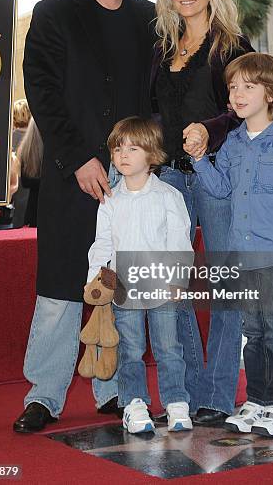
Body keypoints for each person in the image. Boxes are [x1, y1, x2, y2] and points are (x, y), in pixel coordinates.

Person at [13, 0, 155, 433]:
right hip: (70, 178)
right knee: (57, 290)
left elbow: (157, 97)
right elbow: (43, 96)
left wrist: (138, 160)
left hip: (131, 180)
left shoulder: (148, 20)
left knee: (117, 288)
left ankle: (114, 390)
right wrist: (78, 159)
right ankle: (44, 395)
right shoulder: (52, 14)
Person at [152, 0, 254, 425]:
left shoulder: (232, 45)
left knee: (224, 287)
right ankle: (188, 391)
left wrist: (207, 131)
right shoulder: (160, 47)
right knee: (169, 286)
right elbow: (152, 112)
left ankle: (217, 393)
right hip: (168, 177)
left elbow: (245, 109)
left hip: (217, 174)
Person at [189, 52, 273, 438]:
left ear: (271, 93)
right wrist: (199, 162)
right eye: (233, 87)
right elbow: (221, 189)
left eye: (249, 86)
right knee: (253, 331)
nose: (239, 94)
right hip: (241, 254)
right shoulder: (233, 143)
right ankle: (258, 401)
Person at [87, 117, 194, 434]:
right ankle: (133, 404)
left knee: (169, 349)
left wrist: (179, 280)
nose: (123, 155)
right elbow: (102, 244)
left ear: (152, 154)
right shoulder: (109, 201)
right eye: (118, 148)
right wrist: (96, 280)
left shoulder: (169, 196)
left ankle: (176, 403)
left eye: (133, 148)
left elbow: (180, 242)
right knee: (130, 350)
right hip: (123, 289)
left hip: (162, 286)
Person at [17, 119, 43, 227]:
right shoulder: (52, 149)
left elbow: (25, 182)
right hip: (48, 204)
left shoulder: (25, 150)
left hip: (32, 206)